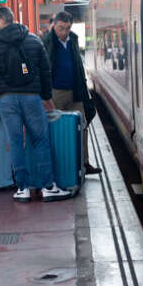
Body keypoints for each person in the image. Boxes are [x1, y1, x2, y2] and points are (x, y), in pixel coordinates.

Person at [0, 7, 71, 202]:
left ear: (3, 21)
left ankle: (23, 188)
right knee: (40, 139)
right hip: (31, 97)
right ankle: (48, 187)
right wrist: (47, 97)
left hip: (7, 100)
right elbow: (45, 71)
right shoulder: (33, 40)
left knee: (15, 142)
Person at [41, 11, 102, 175]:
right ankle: (57, 165)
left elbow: (77, 65)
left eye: (67, 28)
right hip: (55, 92)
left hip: (75, 91)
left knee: (81, 126)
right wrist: (44, 95)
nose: (64, 32)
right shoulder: (45, 42)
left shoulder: (73, 39)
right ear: (54, 25)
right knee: (55, 128)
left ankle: (84, 163)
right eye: (61, 28)